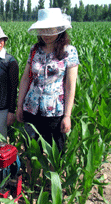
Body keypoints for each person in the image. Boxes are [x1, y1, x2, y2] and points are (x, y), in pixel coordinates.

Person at [16, 8, 80, 152]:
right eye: (43, 30)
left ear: (59, 29)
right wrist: (20, 106)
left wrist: (67, 115)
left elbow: (70, 86)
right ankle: (31, 175)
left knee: (55, 151)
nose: (46, 35)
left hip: (54, 112)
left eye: (50, 30)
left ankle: (50, 174)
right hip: (31, 108)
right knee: (30, 148)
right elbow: (26, 79)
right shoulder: (35, 50)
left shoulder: (69, 52)